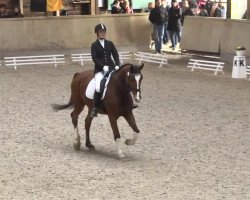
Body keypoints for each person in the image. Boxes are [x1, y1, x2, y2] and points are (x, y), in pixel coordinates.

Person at [90, 24, 120, 118]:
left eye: (104, 32)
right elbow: (94, 58)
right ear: (97, 33)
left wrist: (117, 65)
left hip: (111, 68)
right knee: (98, 87)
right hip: (100, 70)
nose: (102, 33)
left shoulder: (110, 43)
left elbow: (116, 55)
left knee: (121, 81)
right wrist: (102, 67)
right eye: (101, 32)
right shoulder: (94, 45)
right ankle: (95, 108)